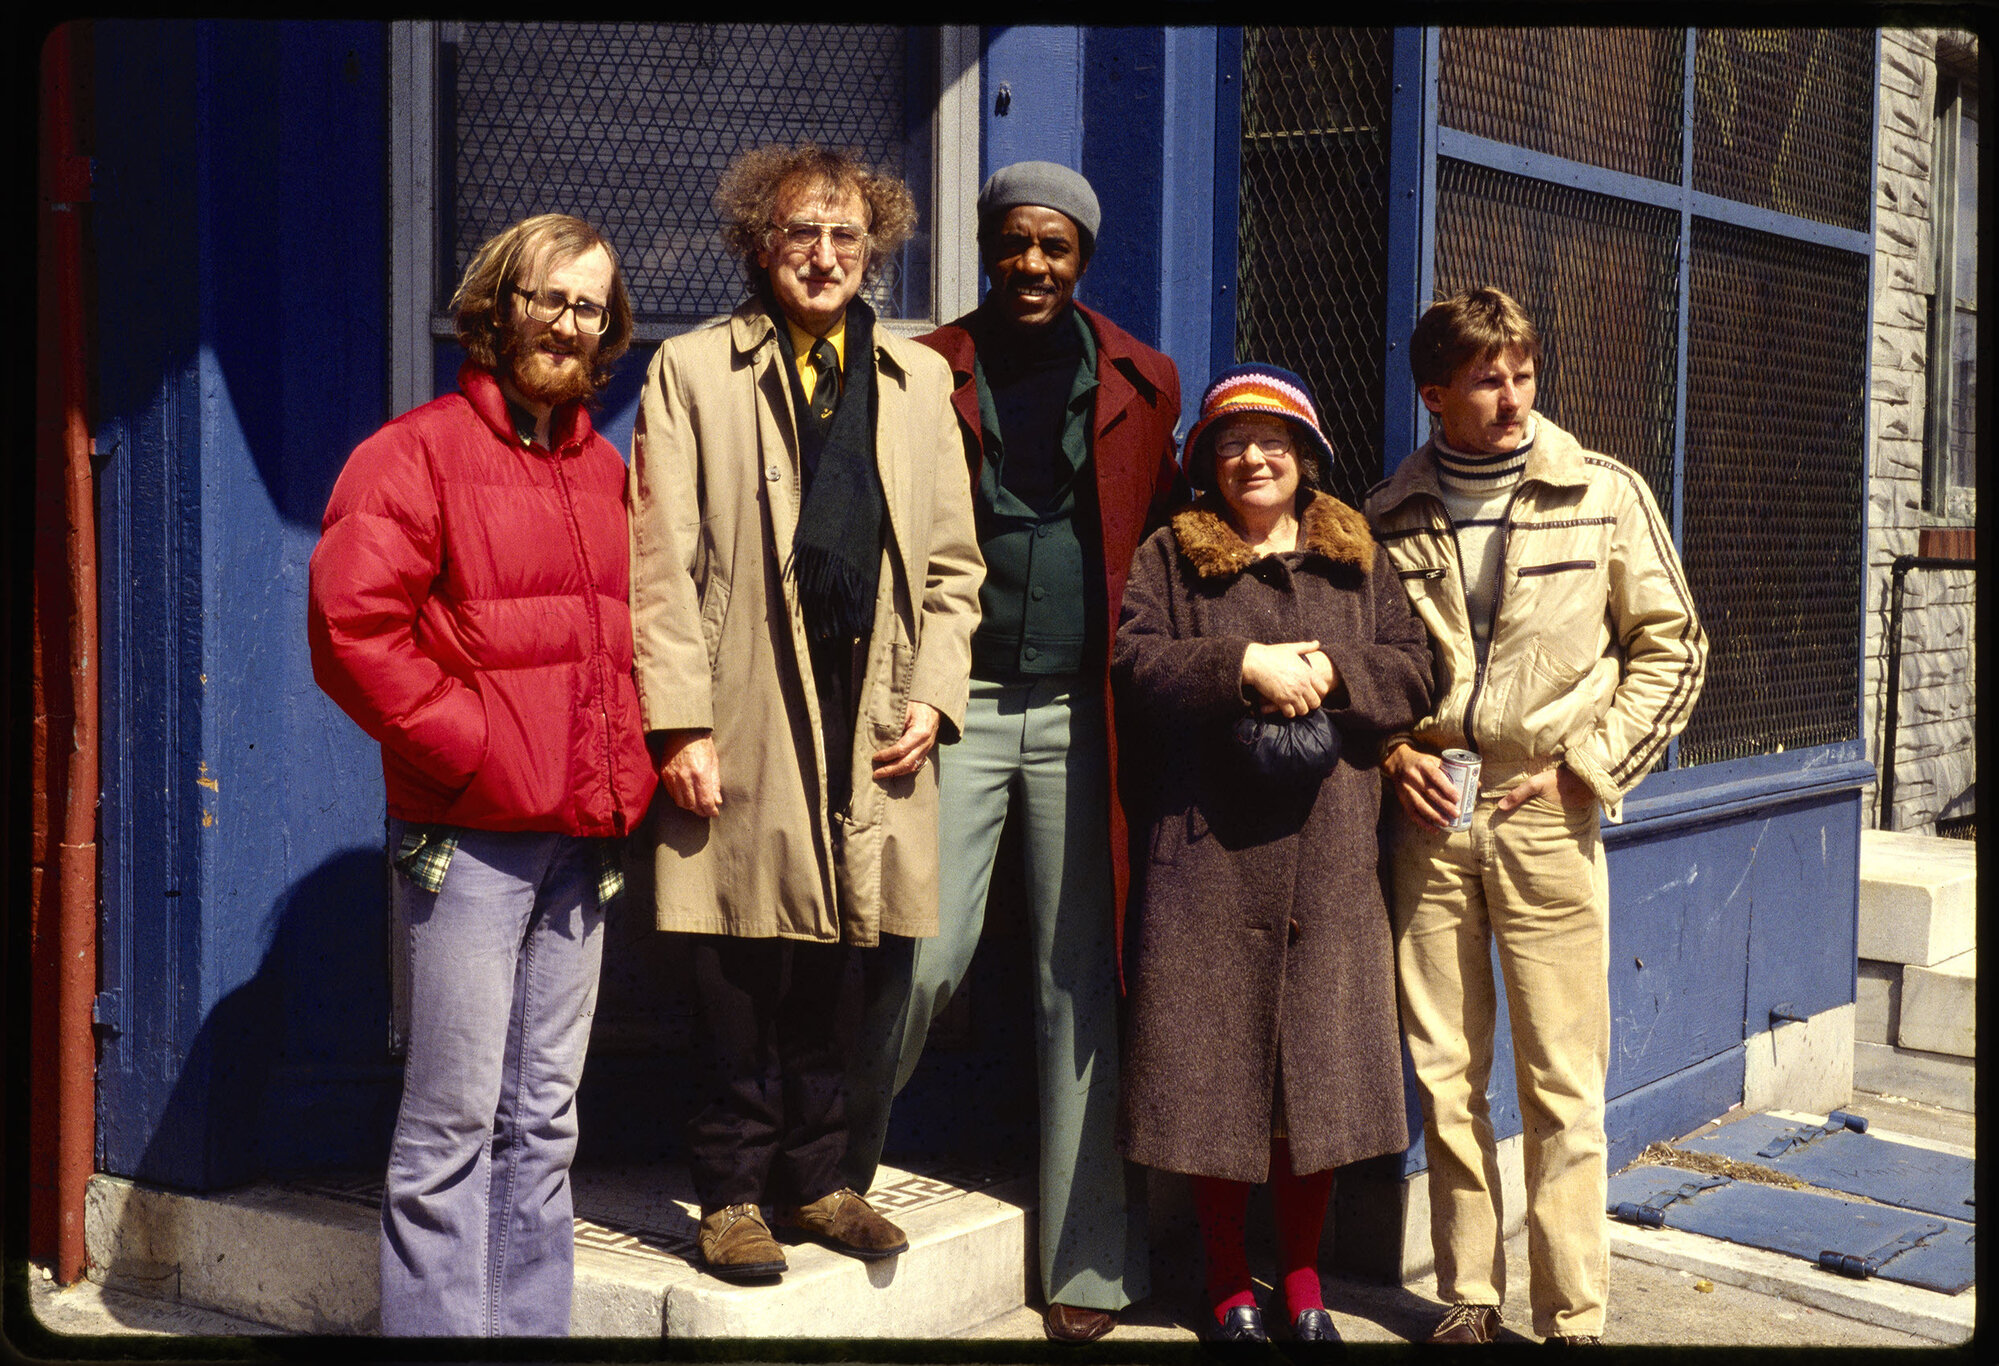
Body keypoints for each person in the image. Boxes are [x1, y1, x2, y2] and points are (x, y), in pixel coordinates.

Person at [838, 160, 1182, 1342]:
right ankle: (827, 1171)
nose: (1033, 266)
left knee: (1074, 980)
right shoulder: (922, 370)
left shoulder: (1141, 376)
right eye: (1014, 244)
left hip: (1085, 709)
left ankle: (1088, 1261)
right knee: (923, 952)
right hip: (955, 698)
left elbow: (1167, 534)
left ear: (1083, 257)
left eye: (1057, 248)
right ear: (987, 247)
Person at [627, 144, 982, 1285]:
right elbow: (658, 566)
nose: (823, 257)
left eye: (845, 237)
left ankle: (824, 1179)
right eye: (799, 234)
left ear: (871, 249)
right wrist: (677, 722)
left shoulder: (917, 377)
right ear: (758, 245)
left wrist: (933, 693)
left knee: (853, 944)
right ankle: (731, 1191)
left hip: (873, 694)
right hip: (742, 691)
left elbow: (952, 569)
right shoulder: (692, 370)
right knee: (738, 948)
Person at [308, 213, 657, 1335]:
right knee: (451, 1119)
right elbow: (351, 628)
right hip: (470, 842)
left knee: (544, 1122)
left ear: (610, 334)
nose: (566, 322)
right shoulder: (410, 453)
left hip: (580, 842)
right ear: (495, 306)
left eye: (589, 306)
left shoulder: (605, 469)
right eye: (546, 297)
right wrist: (475, 745)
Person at [1364, 288, 1707, 1345]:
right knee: (1444, 1067)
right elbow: (1364, 672)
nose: (1511, 398)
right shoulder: (1388, 515)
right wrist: (1390, 755)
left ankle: (1574, 1315)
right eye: (1484, 380)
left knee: (1562, 1074)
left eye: (1521, 373)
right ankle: (1470, 1291)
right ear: (1434, 395)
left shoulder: (1602, 492)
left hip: (1549, 808)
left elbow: (1673, 648)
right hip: (1432, 814)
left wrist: (1586, 769)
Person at [1112, 364, 1432, 1343]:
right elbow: (1133, 662)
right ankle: (1225, 1280)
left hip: (1332, 855)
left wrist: (1334, 665)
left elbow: (1417, 667)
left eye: (1275, 441)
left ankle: (1300, 1280)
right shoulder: (1173, 554)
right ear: (1207, 461)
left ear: (1307, 458)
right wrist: (1239, 665)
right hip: (1207, 854)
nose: (1254, 457)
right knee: (1214, 1074)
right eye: (1233, 442)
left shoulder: (1355, 557)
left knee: (1315, 1083)